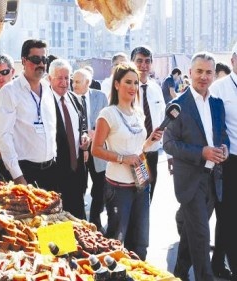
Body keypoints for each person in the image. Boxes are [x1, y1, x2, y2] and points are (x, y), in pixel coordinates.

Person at [163, 52, 229, 281]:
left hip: (214, 178)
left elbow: (222, 135)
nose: (203, 76)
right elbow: (169, 143)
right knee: (201, 235)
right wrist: (201, 152)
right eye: (199, 71)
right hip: (191, 182)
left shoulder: (217, 104)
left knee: (193, 233)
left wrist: (225, 148)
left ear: (213, 75)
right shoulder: (177, 105)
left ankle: (179, 273)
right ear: (189, 73)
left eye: (208, 72)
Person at [91, 62, 163, 260]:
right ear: (116, 84)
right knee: (116, 239)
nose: (133, 87)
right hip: (118, 187)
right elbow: (95, 149)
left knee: (140, 241)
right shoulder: (108, 114)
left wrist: (150, 141)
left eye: (135, 83)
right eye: (128, 82)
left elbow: (138, 150)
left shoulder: (138, 113)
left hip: (140, 183)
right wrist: (122, 159)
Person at [0, 39, 57, 191]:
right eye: (36, 59)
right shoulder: (9, 92)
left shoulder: (48, 89)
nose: (41, 64)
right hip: (25, 172)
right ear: (23, 60)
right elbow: (4, 136)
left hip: (51, 168)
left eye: (44, 60)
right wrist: (17, 176)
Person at [209, 45, 237, 280]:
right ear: (233, 60)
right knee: (227, 214)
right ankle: (225, 263)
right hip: (229, 159)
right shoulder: (219, 88)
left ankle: (218, 260)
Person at [49, 59, 89, 219]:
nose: (64, 82)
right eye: (60, 78)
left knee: (79, 221)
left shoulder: (76, 99)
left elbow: (82, 126)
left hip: (77, 173)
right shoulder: (44, 103)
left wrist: (85, 136)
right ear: (50, 78)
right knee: (59, 222)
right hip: (55, 175)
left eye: (67, 78)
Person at [72, 67, 108, 230]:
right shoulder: (69, 98)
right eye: (73, 81)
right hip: (78, 150)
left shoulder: (100, 97)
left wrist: (96, 133)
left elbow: (107, 120)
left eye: (77, 82)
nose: (74, 85)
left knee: (100, 185)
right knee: (79, 186)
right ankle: (81, 222)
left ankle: (95, 219)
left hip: (98, 149)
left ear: (87, 82)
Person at [131, 46, 166, 202]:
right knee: (138, 195)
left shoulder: (155, 88)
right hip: (135, 154)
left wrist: (169, 154)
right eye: (139, 61)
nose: (143, 66)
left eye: (147, 61)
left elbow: (164, 120)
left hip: (152, 152)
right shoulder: (126, 89)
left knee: (148, 194)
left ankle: (142, 224)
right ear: (131, 62)